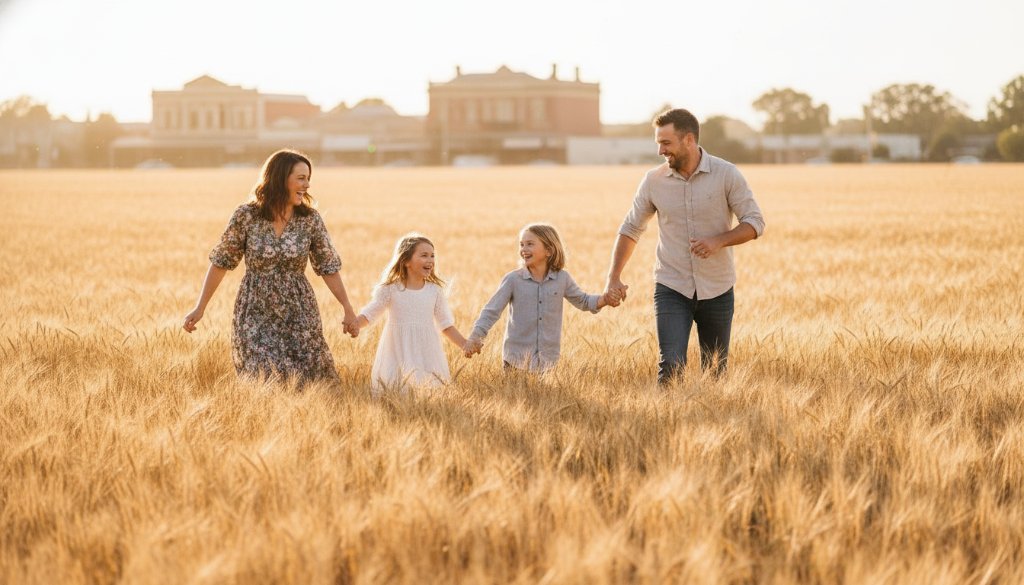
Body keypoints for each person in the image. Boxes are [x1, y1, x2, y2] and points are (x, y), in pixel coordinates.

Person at [604, 109, 766, 384]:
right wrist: (613, 277)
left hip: (717, 288)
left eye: (666, 143)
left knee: (715, 372)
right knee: (670, 367)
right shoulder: (653, 181)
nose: (660, 150)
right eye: (658, 142)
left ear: (688, 139)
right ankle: (667, 422)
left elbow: (755, 223)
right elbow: (631, 228)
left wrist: (718, 240)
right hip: (671, 286)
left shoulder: (726, 174)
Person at [182, 149, 358, 384]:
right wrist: (200, 307)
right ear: (280, 178)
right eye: (301, 178)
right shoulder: (246, 216)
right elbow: (221, 262)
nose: (307, 185)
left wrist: (347, 307)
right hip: (255, 311)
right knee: (261, 375)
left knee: (308, 378)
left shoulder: (310, 220)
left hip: (299, 312)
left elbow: (328, 267)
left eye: (308, 178)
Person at [465, 223, 620, 371]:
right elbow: (491, 311)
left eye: (530, 244)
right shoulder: (513, 279)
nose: (524, 249)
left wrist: (605, 299)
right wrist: (475, 337)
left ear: (549, 250)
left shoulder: (562, 279)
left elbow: (583, 301)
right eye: (521, 244)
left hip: (548, 362)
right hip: (515, 361)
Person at [347, 234, 470, 393]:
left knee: (429, 388)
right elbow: (372, 312)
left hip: (426, 350)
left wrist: (464, 344)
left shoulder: (434, 291)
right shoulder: (391, 288)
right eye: (424, 255)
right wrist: (356, 324)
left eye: (432, 255)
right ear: (406, 261)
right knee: (396, 388)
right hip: (398, 348)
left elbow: (446, 325)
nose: (430, 260)